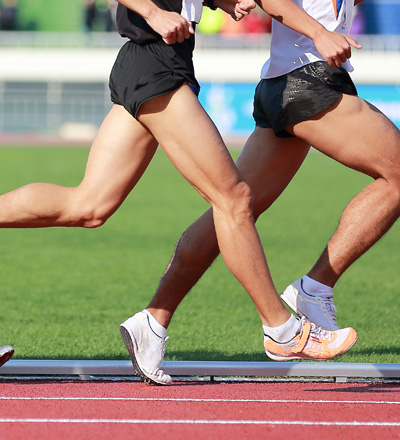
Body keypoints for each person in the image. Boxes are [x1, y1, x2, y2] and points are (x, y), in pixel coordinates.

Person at [0, 0, 359, 372]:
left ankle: (151, 328)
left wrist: (220, 2)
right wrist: (154, 13)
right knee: (233, 199)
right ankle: (282, 330)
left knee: (88, 206)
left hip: (151, 63)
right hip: (154, 65)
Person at [125, 0, 400, 385]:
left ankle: (153, 320)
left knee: (231, 212)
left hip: (286, 83)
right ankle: (314, 288)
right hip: (308, 81)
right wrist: (320, 33)